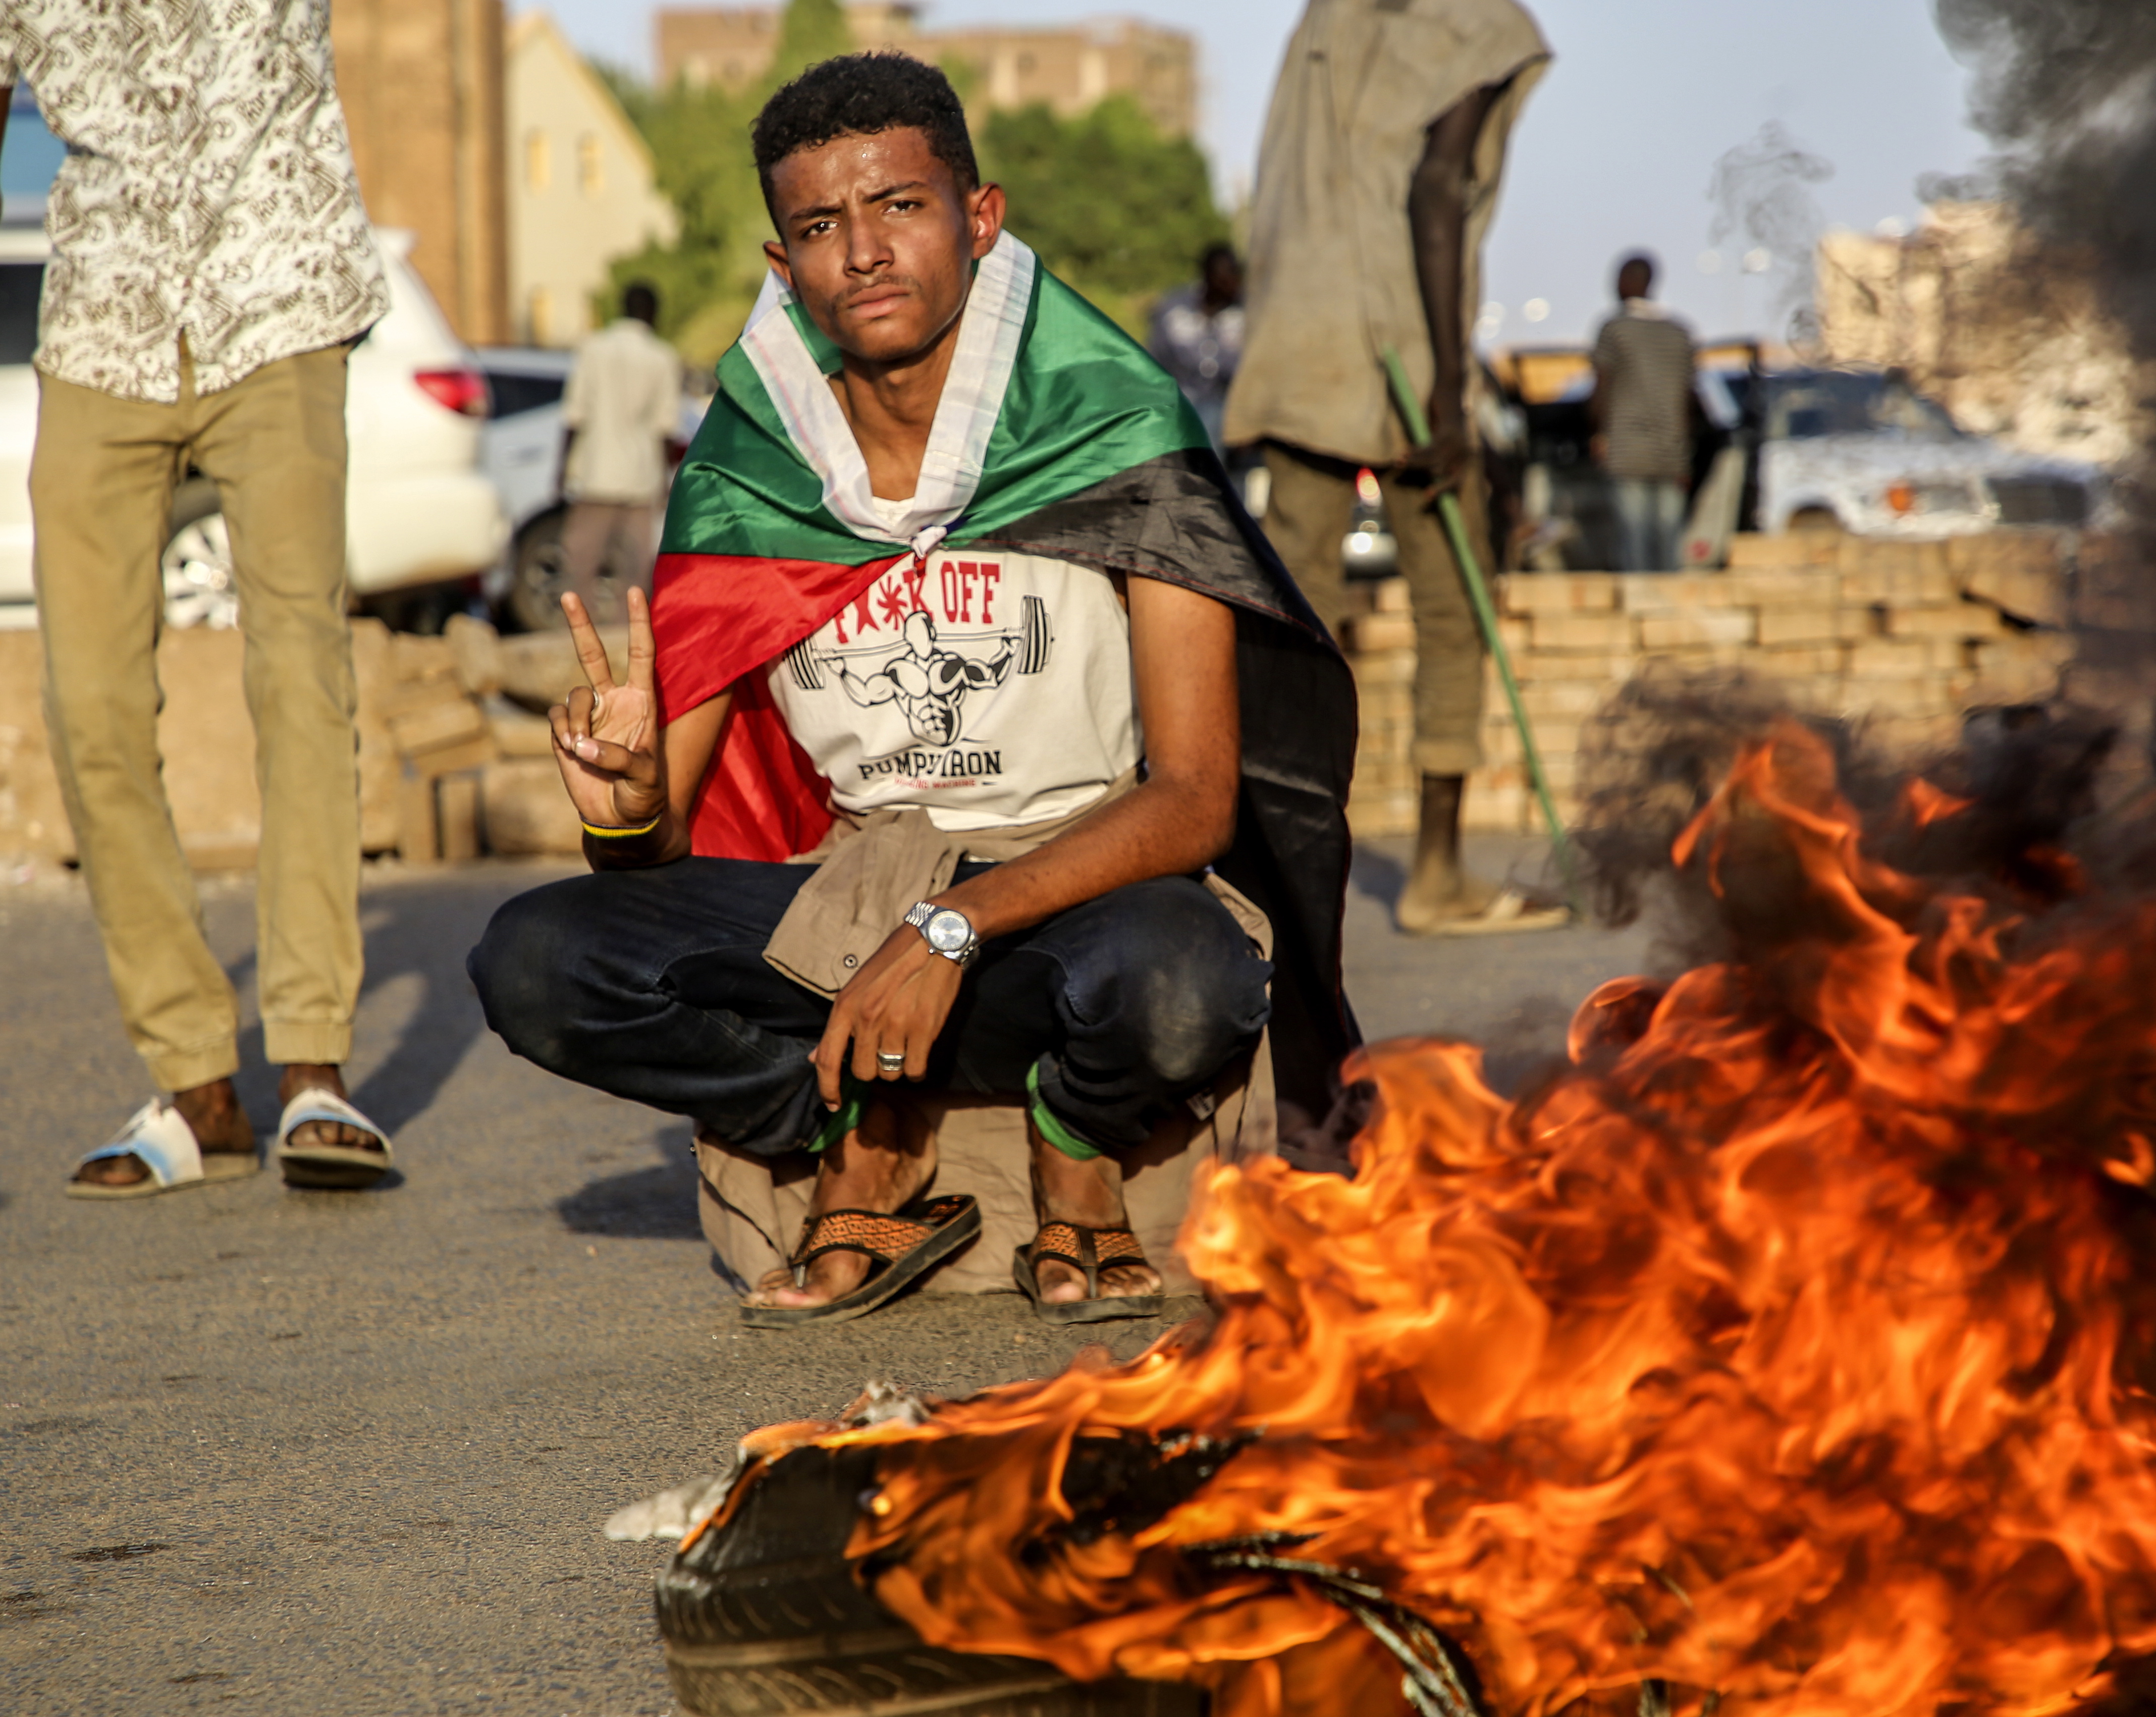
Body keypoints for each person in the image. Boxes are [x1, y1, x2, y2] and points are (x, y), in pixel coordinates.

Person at [467, 55, 1357, 1327]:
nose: (864, 254)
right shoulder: (750, 470)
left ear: (978, 220)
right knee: (537, 961)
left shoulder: (1113, 426)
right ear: (785, 268)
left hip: (1078, 893)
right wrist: (622, 801)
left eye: (900, 206)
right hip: (850, 902)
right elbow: (654, 849)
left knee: (1183, 984)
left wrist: (952, 929)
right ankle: (852, 1119)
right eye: (821, 227)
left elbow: (1196, 797)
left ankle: (1072, 1124)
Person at [3, 7, 400, 1199]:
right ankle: (193, 1081)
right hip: (101, 320)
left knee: (298, 673)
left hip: (275, 297)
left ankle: (314, 1072)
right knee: (90, 705)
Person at [1225, 0, 1562, 936]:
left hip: (1298, 338)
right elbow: (1436, 189)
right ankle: (1438, 875)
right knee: (1455, 607)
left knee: (1294, 623)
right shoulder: (1481, 22)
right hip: (1400, 354)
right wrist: (1451, 395)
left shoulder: (1323, 18)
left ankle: (1274, 881)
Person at [556, 281, 686, 619]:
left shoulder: (593, 349)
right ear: (653, 314)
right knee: (635, 568)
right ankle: (625, 636)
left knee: (581, 560)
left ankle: (578, 628)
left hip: (596, 472)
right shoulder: (662, 357)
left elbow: (574, 415)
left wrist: (561, 469)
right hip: (640, 477)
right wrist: (666, 478)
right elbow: (665, 427)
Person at [1590, 253, 1699, 572]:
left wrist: (1597, 432)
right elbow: (1689, 397)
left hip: (1627, 449)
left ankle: (1640, 612)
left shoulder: (1614, 330)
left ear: (1628, 282)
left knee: (1634, 539)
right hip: (1671, 450)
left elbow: (1601, 390)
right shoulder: (1680, 333)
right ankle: (1671, 612)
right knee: (1668, 540)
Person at [1144, 243, 1244, 455]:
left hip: (1229, 404)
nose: (1233, 281)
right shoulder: (1174, 308)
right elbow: (1154, 360)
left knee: (1211, 417)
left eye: (1236, 274)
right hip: (1179, 400)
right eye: (1226, 274)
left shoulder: (1246, 311)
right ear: (1207, 275)